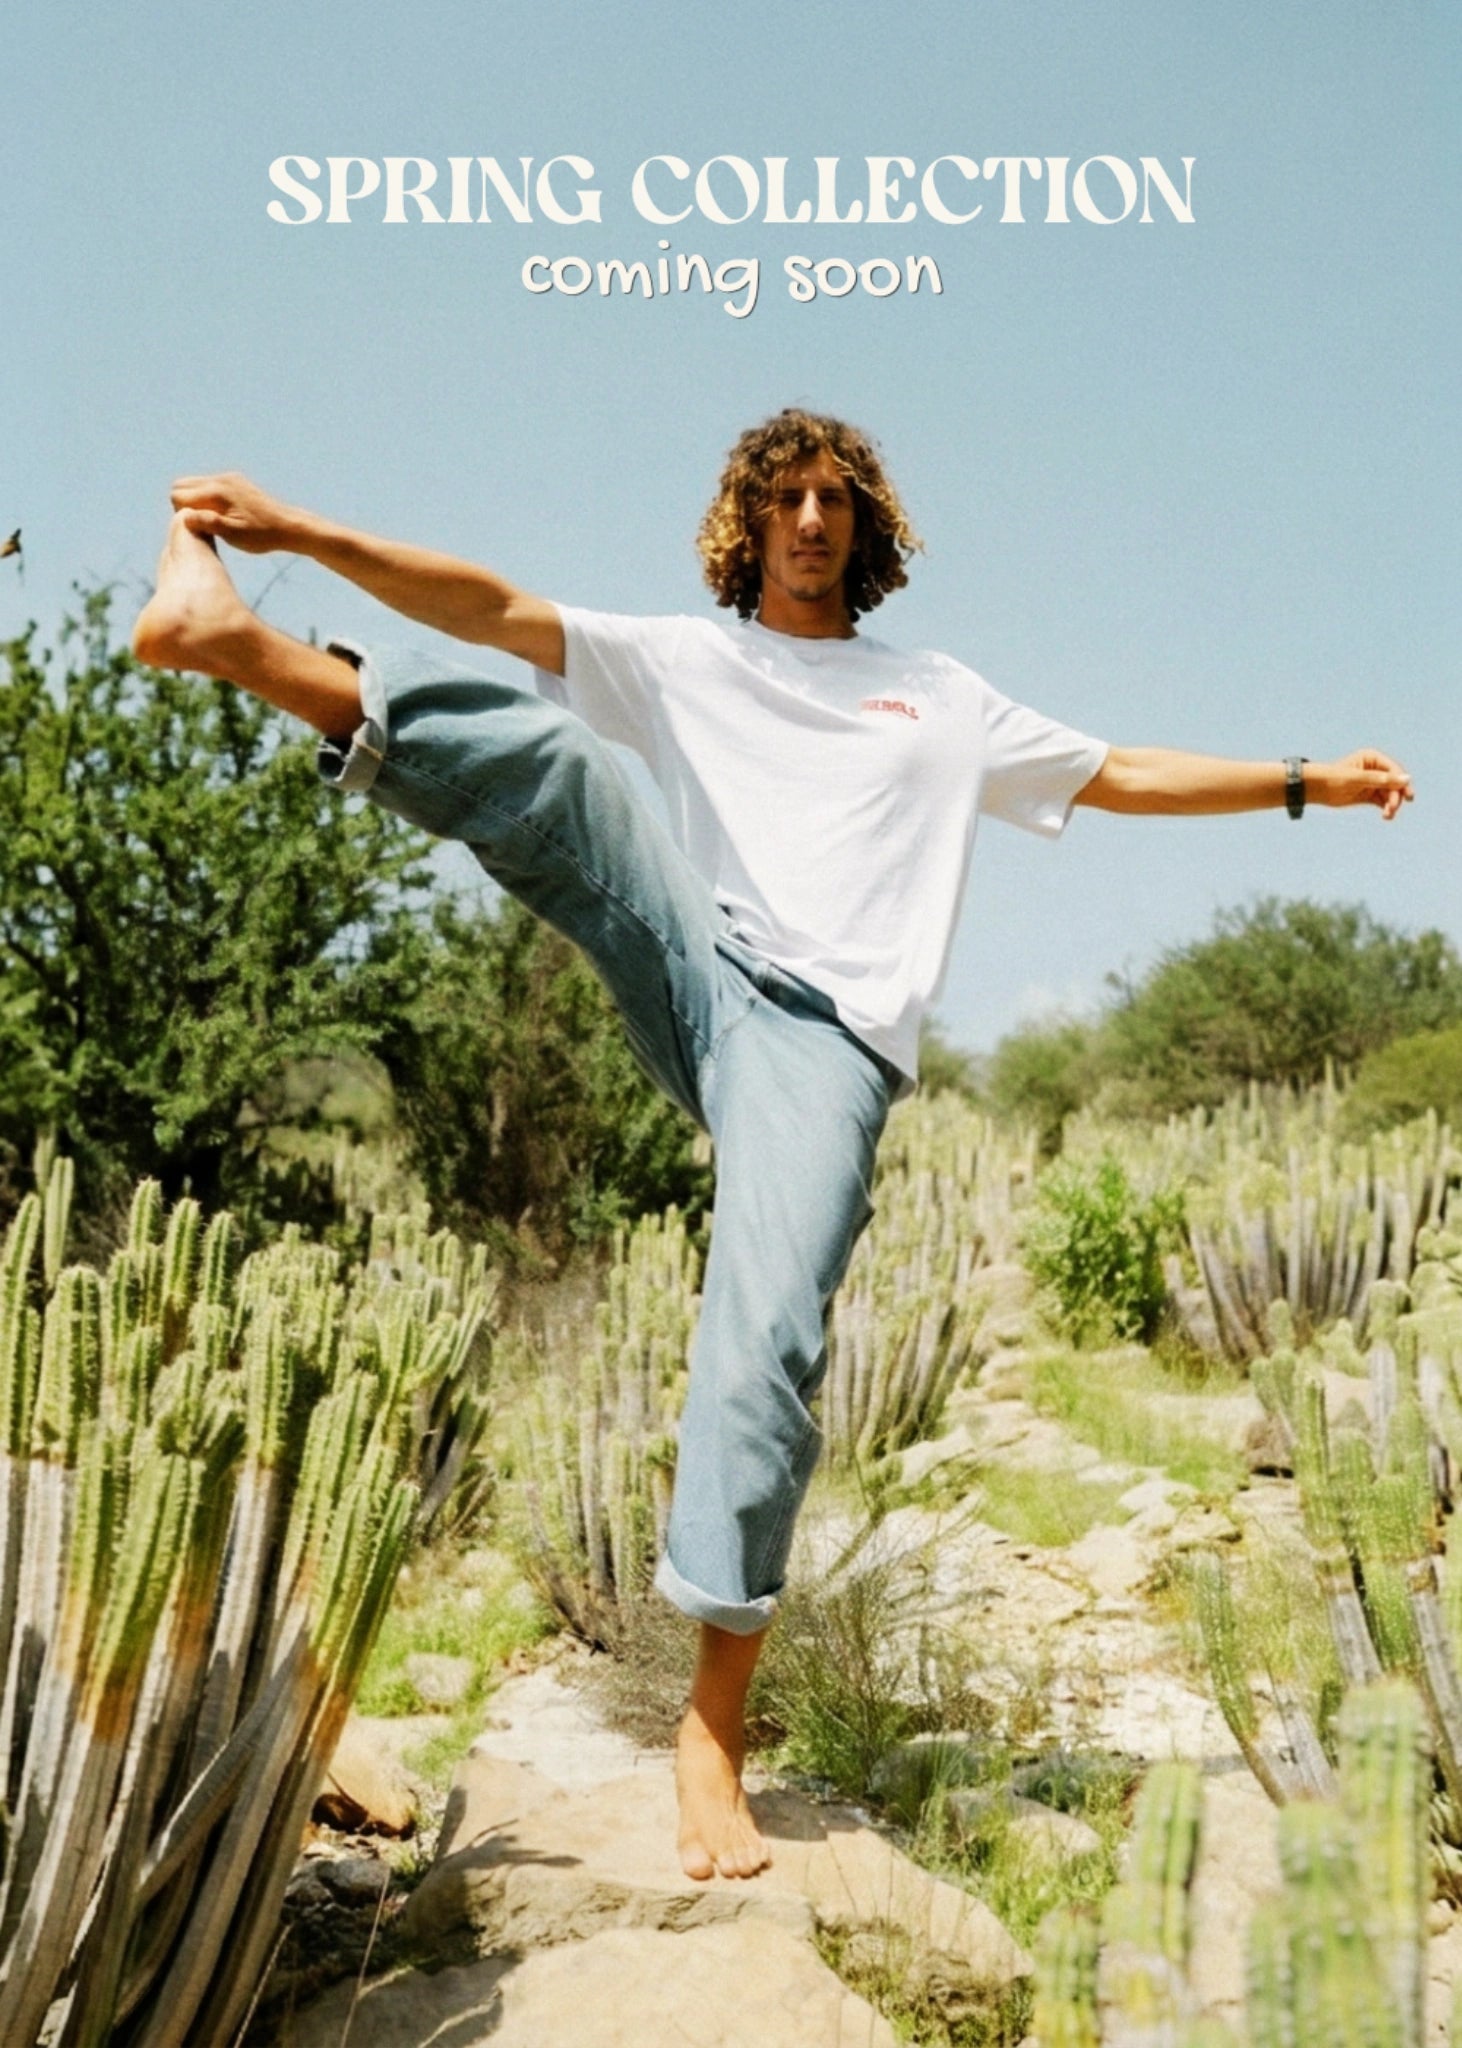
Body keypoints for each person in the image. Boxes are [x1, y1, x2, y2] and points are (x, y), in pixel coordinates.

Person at [132, 409, 1412, 1883]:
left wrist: (1307, 780)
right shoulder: (691, 658)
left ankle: (711, 1733)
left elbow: (1117, 771)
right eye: (783, 496)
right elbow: (487, 607)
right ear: (747, 522)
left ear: (865, 527)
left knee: (760, 1349)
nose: (809, 517)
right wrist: (297, 535)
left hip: (823, 1039)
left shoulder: (937, 695)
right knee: (564, 768)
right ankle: (237, 644)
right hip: (699, 954)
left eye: (832, 498)